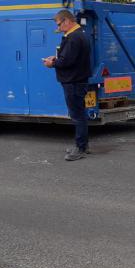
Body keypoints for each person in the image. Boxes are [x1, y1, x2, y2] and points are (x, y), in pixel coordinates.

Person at [42, 10, 92, 161]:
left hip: (73, 82)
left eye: (59, 24)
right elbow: (69, 58)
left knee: (77, 115)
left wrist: (52, 63)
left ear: (67, 21)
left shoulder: (73, 38)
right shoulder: (79, 35)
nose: (58, 28)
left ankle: (81, 148)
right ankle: (82, 145)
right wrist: (57, 58)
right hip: (77, 80)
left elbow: (66, 61)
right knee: (79, 114)